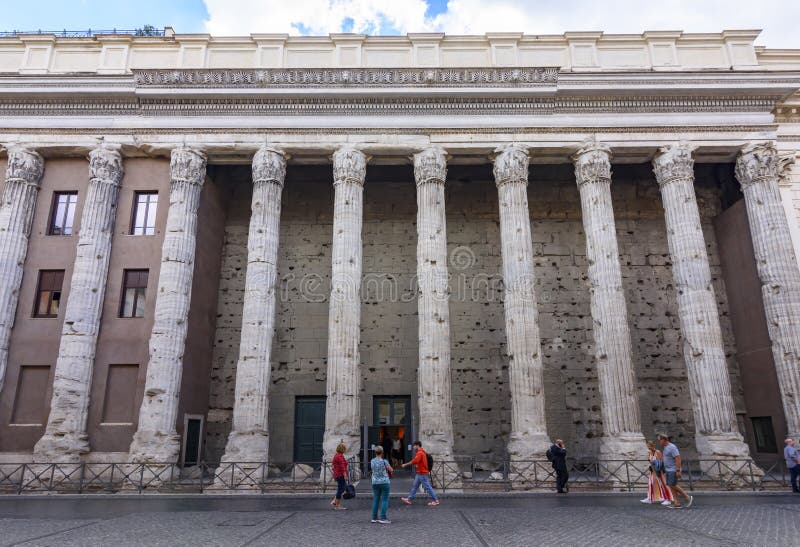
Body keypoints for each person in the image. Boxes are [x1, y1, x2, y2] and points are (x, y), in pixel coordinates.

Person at [400, 440, 440, 506]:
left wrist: (405, 464)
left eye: (414, 445)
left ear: (417, 445)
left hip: (422, 473)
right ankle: (409, 499)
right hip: (419, 473)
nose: (413, 447)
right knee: (415, 486)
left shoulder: (420, 453)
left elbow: (415, 461)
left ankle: (436, 500)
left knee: (428, 487)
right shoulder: (421, 452)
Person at [658, 433, 693, 509]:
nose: (659, 442)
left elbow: (678, 458)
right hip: (668, 469)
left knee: (673, 485)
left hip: (673, 469)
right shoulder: (666, 447)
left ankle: (687, 497)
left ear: (664, 440)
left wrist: (678, 470)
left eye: (659, 440)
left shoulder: (672, 447)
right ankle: (677, 503)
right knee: (671, 486)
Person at [641, 440, 673, 506]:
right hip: (652, 471)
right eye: (648, 447)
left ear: (652, 446)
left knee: (663, 484)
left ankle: (668, 499)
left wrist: (661, 470)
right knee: (651, 484)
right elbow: (650, 461)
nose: (648, 448)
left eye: (649, 447)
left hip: (659, 471)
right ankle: (650, 498)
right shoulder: (650, 452)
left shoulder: (657, 452)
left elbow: (662, 461)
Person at [370, 445, 393, 524]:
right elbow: (391, 469)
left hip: (375, 482)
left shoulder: (372, 461)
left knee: (376, 499)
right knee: (385, 500)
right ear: (382, 452)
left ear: (375, 452)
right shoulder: (384, 461)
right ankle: (383, 517)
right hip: (384, 482)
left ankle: (374, 517)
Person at [331, 443, 349, 510]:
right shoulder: (340, 456)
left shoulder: (337, 455)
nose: (345, 449)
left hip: (338, 474)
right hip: (340, 475)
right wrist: (345, 475)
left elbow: (334, 465)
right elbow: (342, 467)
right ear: (342, 449)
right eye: (345, 448)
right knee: (341, 489)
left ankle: (335, 502)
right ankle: (337, 505)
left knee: (341, 489)